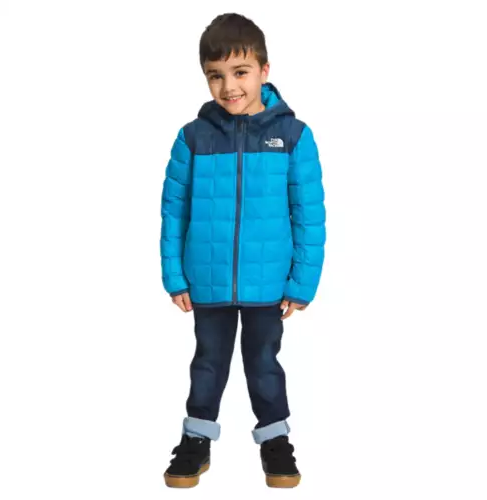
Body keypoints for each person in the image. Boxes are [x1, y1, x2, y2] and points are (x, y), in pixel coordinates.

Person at [159, 12, 326, 488]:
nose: (229, 86)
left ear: (264, 70)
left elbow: (309, 214)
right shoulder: (192, 137)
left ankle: (275, 441)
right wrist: (175, 275)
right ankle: (196, 440)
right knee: (207, 363)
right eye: (216, 75)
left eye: (240, 72)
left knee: (264, 365)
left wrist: (301, 282)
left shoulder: (293, 136)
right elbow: (174, 211)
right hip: (207, 278)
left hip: (268, 282)